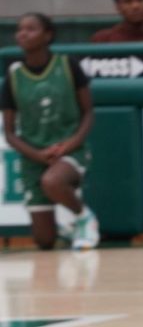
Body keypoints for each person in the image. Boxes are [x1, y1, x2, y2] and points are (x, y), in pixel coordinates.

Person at [2, 13, 100, 251]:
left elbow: (88, 112)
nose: (23, 33)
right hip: (34, 157)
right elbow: (10, 133)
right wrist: (37, 155)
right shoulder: (13, 77)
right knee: (44, 241)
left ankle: (85, 218)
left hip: (70, 151)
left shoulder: (68, 66)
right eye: (19, 29)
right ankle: (68, 229)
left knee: (52, 181)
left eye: (31, 29)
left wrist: (71, 144)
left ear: (48, 35)